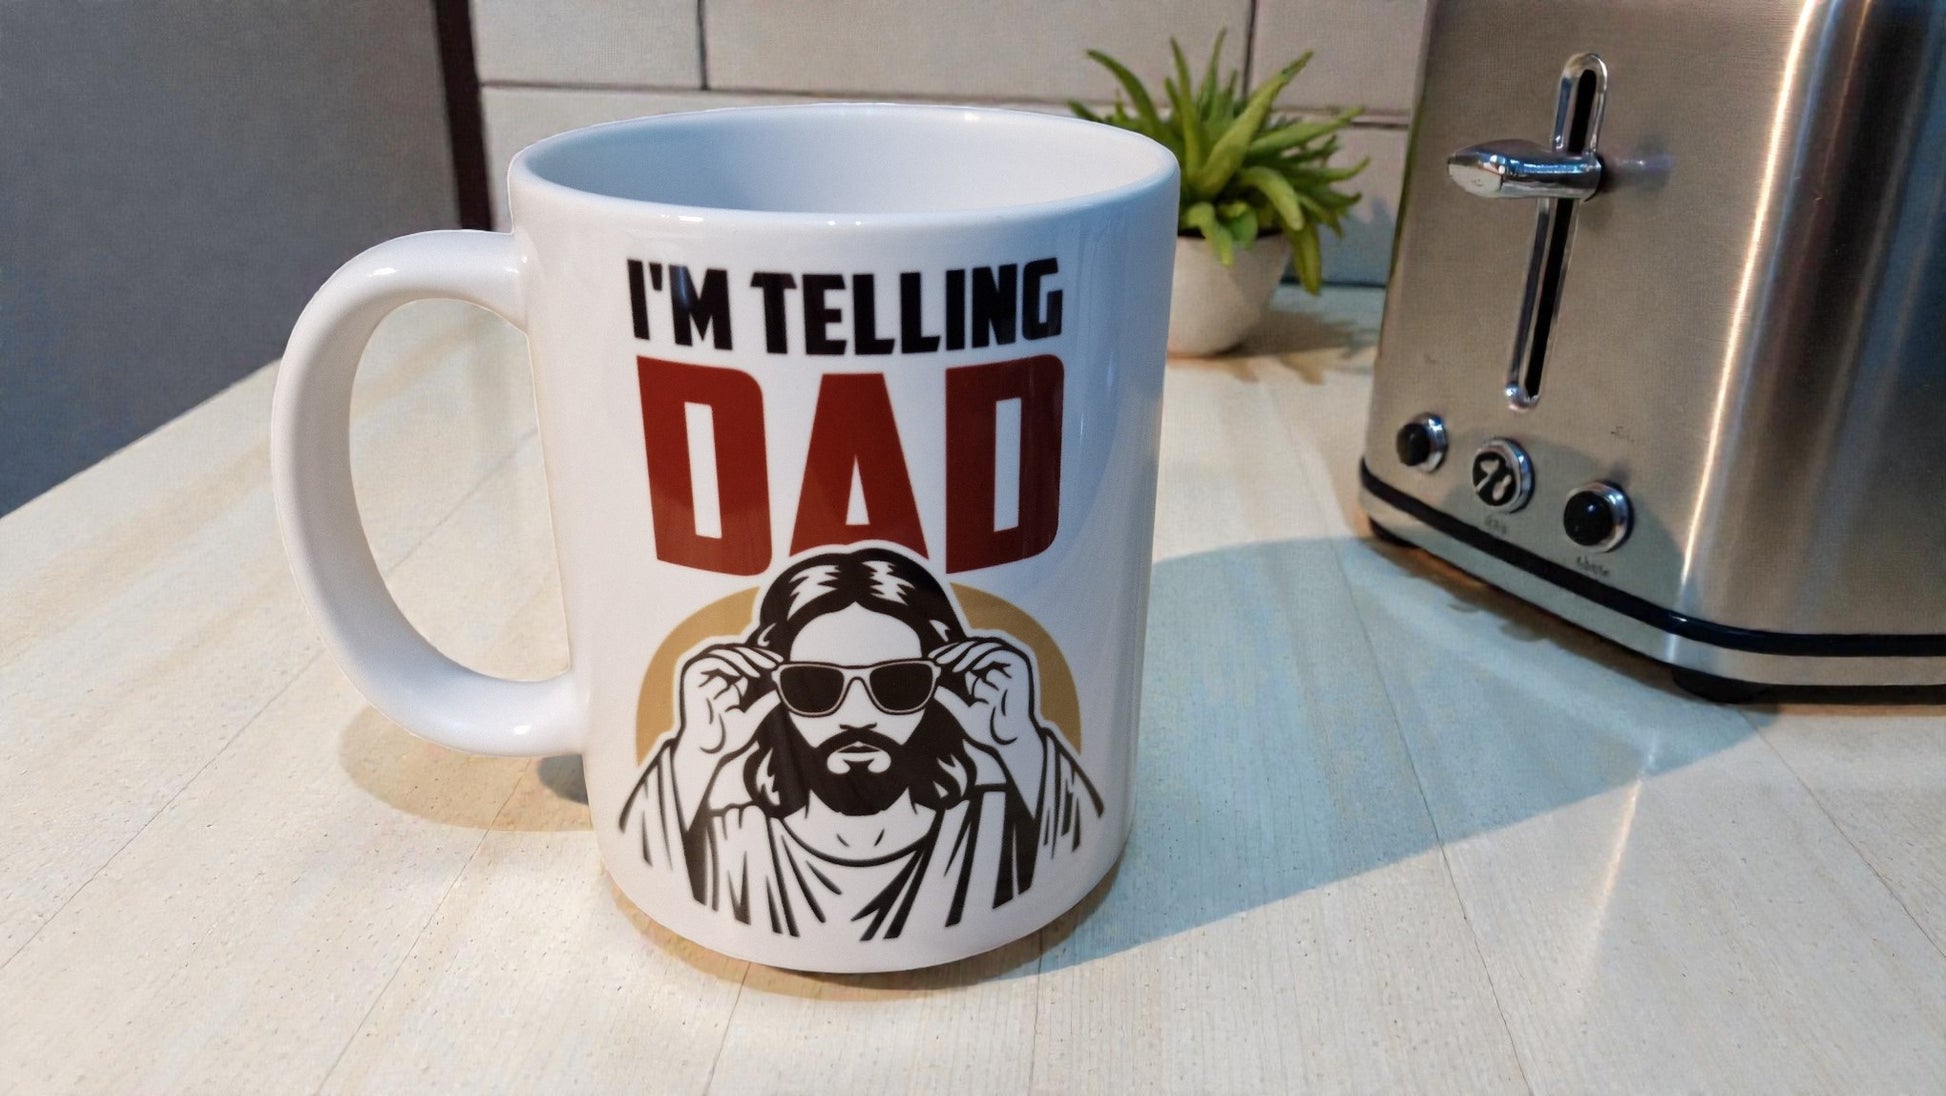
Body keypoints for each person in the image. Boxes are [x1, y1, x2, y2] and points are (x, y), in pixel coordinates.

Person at [619, 545, 1101, 942]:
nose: (856, 716)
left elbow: (1078, 842)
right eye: (816, 686)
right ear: (771, 688)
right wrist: (696, 752)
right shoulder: (732, 831)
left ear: (943, 686)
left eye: (897, 684)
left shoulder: (995, 821)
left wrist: (1019, 742)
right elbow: (648, 855)